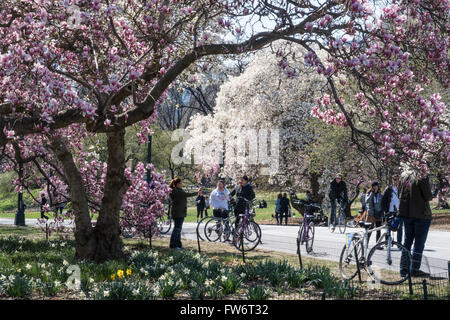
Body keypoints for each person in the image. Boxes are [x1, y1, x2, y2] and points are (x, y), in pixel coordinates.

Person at [399, 174, 433, 277]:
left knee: (407, 242)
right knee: (418, 244)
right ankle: (414, 269)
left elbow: (399, 194)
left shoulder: (404, 175)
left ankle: (404, 268)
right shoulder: (422, 174)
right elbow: (428, 196)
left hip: (407, 215)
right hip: (421, 215)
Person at [168, 178, 201, 250]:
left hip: (180, 213)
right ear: (177, 184)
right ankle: (173, 245)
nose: (181, 184)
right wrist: (197, 192)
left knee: (178, 230)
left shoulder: (178, 190)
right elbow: (187, 194)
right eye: (180, 183)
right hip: (178, 213)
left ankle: (178, 245)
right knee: (177, 230)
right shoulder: (176, 191)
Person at [382, 174, 402, 246]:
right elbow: (383, 200)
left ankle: (399, 244)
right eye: (395, 179)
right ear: (392, 180)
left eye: (398, 180)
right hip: (389, 211)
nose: (396, 181)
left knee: (399, 227)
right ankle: (387, 242)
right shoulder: (388, 189)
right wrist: (385, 210)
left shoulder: (400, 188)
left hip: (398, 212)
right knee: (388, 227)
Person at [365, 181, 384, 245]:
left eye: (376, 186)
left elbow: (382, 204)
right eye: (374, 186)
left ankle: (378, 244)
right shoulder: (369, 193)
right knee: (370, 229)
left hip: (378, 214)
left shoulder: (380, 195)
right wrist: (372, 193)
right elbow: (367, 201)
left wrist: (382, 213)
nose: (375, 187)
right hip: (371, 214)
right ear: (372, 187)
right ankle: (366, 244)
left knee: (379, 230)